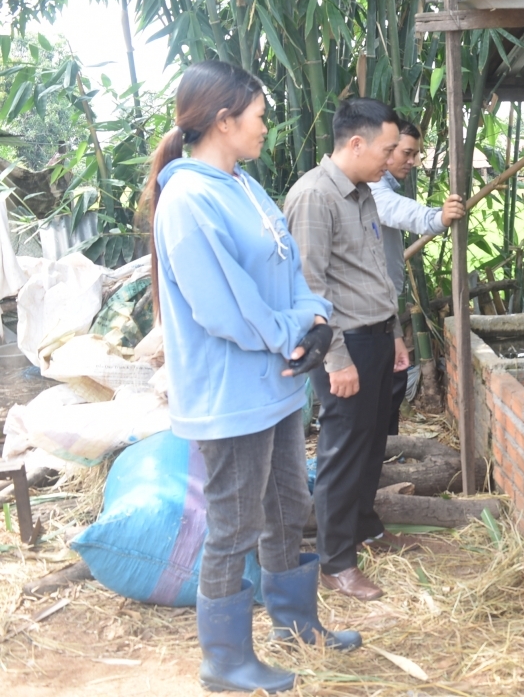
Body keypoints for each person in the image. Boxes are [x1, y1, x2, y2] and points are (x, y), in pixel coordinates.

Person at [148, 60, 360, 694]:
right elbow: (225, 308)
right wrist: (292, 334)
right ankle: (225, 661)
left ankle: (295, 624)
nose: (267, 127)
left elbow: (289, 266)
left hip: (275, 385)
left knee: (288, 506)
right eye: (260, 116)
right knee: (235, 523)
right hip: (229, 395)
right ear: (223, 120)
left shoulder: (242, 184)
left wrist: (315, 318)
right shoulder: (187, 199)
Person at [284, 98, 411, 602]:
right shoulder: (314, 197)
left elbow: (375, 273)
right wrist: (336, 359)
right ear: (355, 143)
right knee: (342, 452)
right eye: (386, 149)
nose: (391, 158)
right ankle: (336, 562)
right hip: (346, 344)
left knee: (372, 443)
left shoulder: (363, 193)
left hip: (377, 335)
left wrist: (396, 332)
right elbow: (306, 287)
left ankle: (363, 528)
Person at [369, 119, 465, 425]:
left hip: (382, 309)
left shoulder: (378, 186)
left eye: (416, 154)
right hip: (365, 313)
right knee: (379, 394)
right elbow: (392, 208)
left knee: (390, 389)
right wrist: (437, 218)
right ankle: (379, 461)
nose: (414, 161)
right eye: (407, 153)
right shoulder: (370, 187)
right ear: (385, 149)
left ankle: (387, 456)